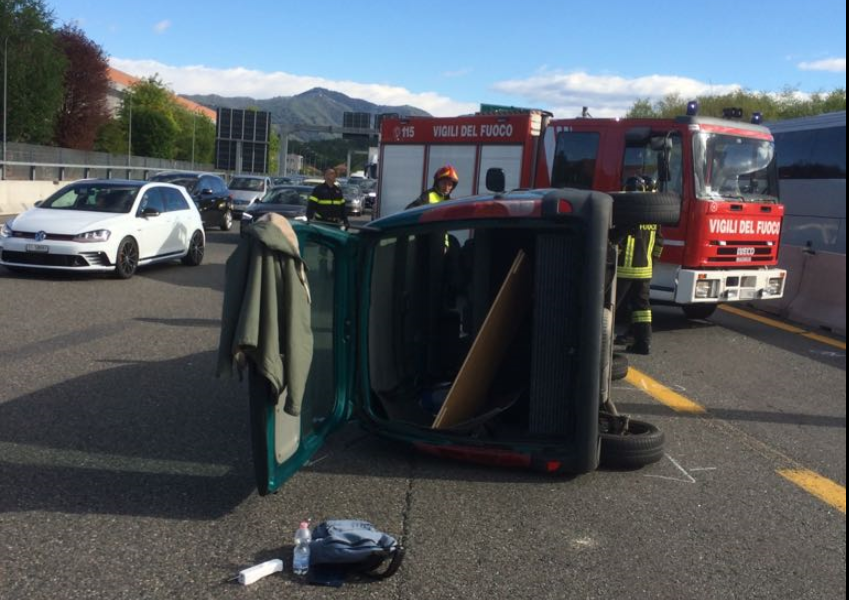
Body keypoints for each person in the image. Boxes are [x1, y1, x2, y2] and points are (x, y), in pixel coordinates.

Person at [613, 176, 663, 355]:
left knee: (609, 307)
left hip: (624, 270)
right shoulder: (653, 214)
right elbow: (659, 243)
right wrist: (652, 263)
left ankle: (599, 343)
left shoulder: (628, 212)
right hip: (644, 270)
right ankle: (644, 344)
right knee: (642, 308)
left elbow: (615, 238)